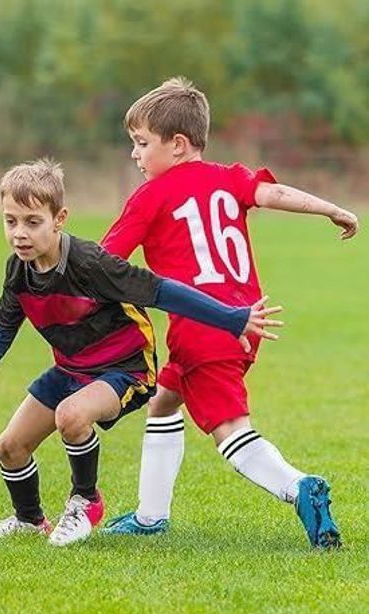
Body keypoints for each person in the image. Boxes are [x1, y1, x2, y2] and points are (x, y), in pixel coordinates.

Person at [0, 158, 282, 547]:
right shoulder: (18, 271)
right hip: (73, 369)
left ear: (59, 218)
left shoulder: (91, 264)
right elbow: (1, 329)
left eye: (32, 221)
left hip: (125, 369)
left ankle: (85, 500)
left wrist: (232, 318)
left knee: (71, 416)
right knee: (10, 447)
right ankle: (29, 520)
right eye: (11, 221)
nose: (19, 234)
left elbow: (163, 291)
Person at [100, 77, 358, 549]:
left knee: (230, 429)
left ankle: (298, 487)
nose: (135, 155)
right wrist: (332, 209)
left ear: (177, 145)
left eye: (141, 144)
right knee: (164, 399)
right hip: (245, 318)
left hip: (202, 326)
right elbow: (275, 195)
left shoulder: (151, 196)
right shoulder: (229, 177)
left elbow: (105, 261)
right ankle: (150, 515)